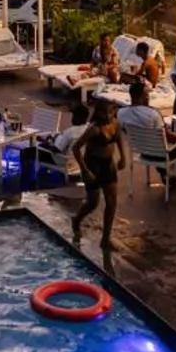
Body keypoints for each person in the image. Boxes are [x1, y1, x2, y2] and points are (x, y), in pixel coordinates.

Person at [69, 99, 123, 254]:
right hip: (93, 165)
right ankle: (77, 219)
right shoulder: (94, 129)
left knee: (112, 201)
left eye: (111, 112)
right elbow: (76, 148)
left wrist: (123, 157)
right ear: (99, 113)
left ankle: (105, 239)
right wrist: (85, 171)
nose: (109, 115)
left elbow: (118, 138)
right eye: (106, 112)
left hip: (108, 164)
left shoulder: (115, 124)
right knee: (93, 203)